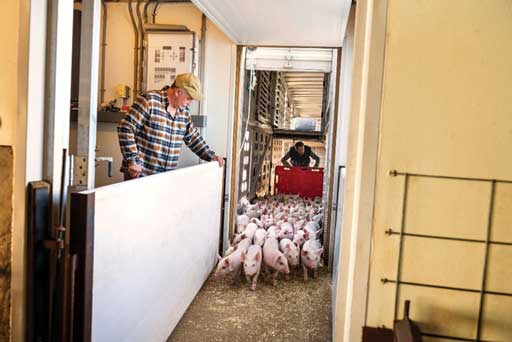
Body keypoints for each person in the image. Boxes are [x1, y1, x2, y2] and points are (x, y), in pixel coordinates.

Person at [117, 73, 224, 180]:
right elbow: (126, 128)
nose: (190, 103)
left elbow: (193, 138)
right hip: (141, 176)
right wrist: (133, 160)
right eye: (189, 98)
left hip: (165, 178)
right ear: (178, 92)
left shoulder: (184, 112)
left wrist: (211, 156)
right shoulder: (149, 100)